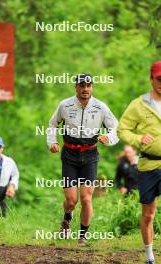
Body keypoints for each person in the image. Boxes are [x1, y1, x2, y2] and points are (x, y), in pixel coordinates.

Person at [47, 73, 119, 243]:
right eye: (82, 86)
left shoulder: (101, 107)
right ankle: (67, 218)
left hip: (90, 155)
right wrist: (52, 142)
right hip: (70, 155)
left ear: (92, 87)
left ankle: (82, 236)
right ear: (76, 87)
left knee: (86, 198)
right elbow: (53, 124)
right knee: (71, 201)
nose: (85, 89)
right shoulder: (65, 105)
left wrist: (108, 138)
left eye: (88, 85)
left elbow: (115, 127)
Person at [118, 61, 161, 264]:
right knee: (148, 214)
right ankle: (149, 255)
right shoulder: (139, 104)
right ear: (151, 79)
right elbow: (122, 129)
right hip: (148, 166)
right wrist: (137, 139)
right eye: (159, 79)